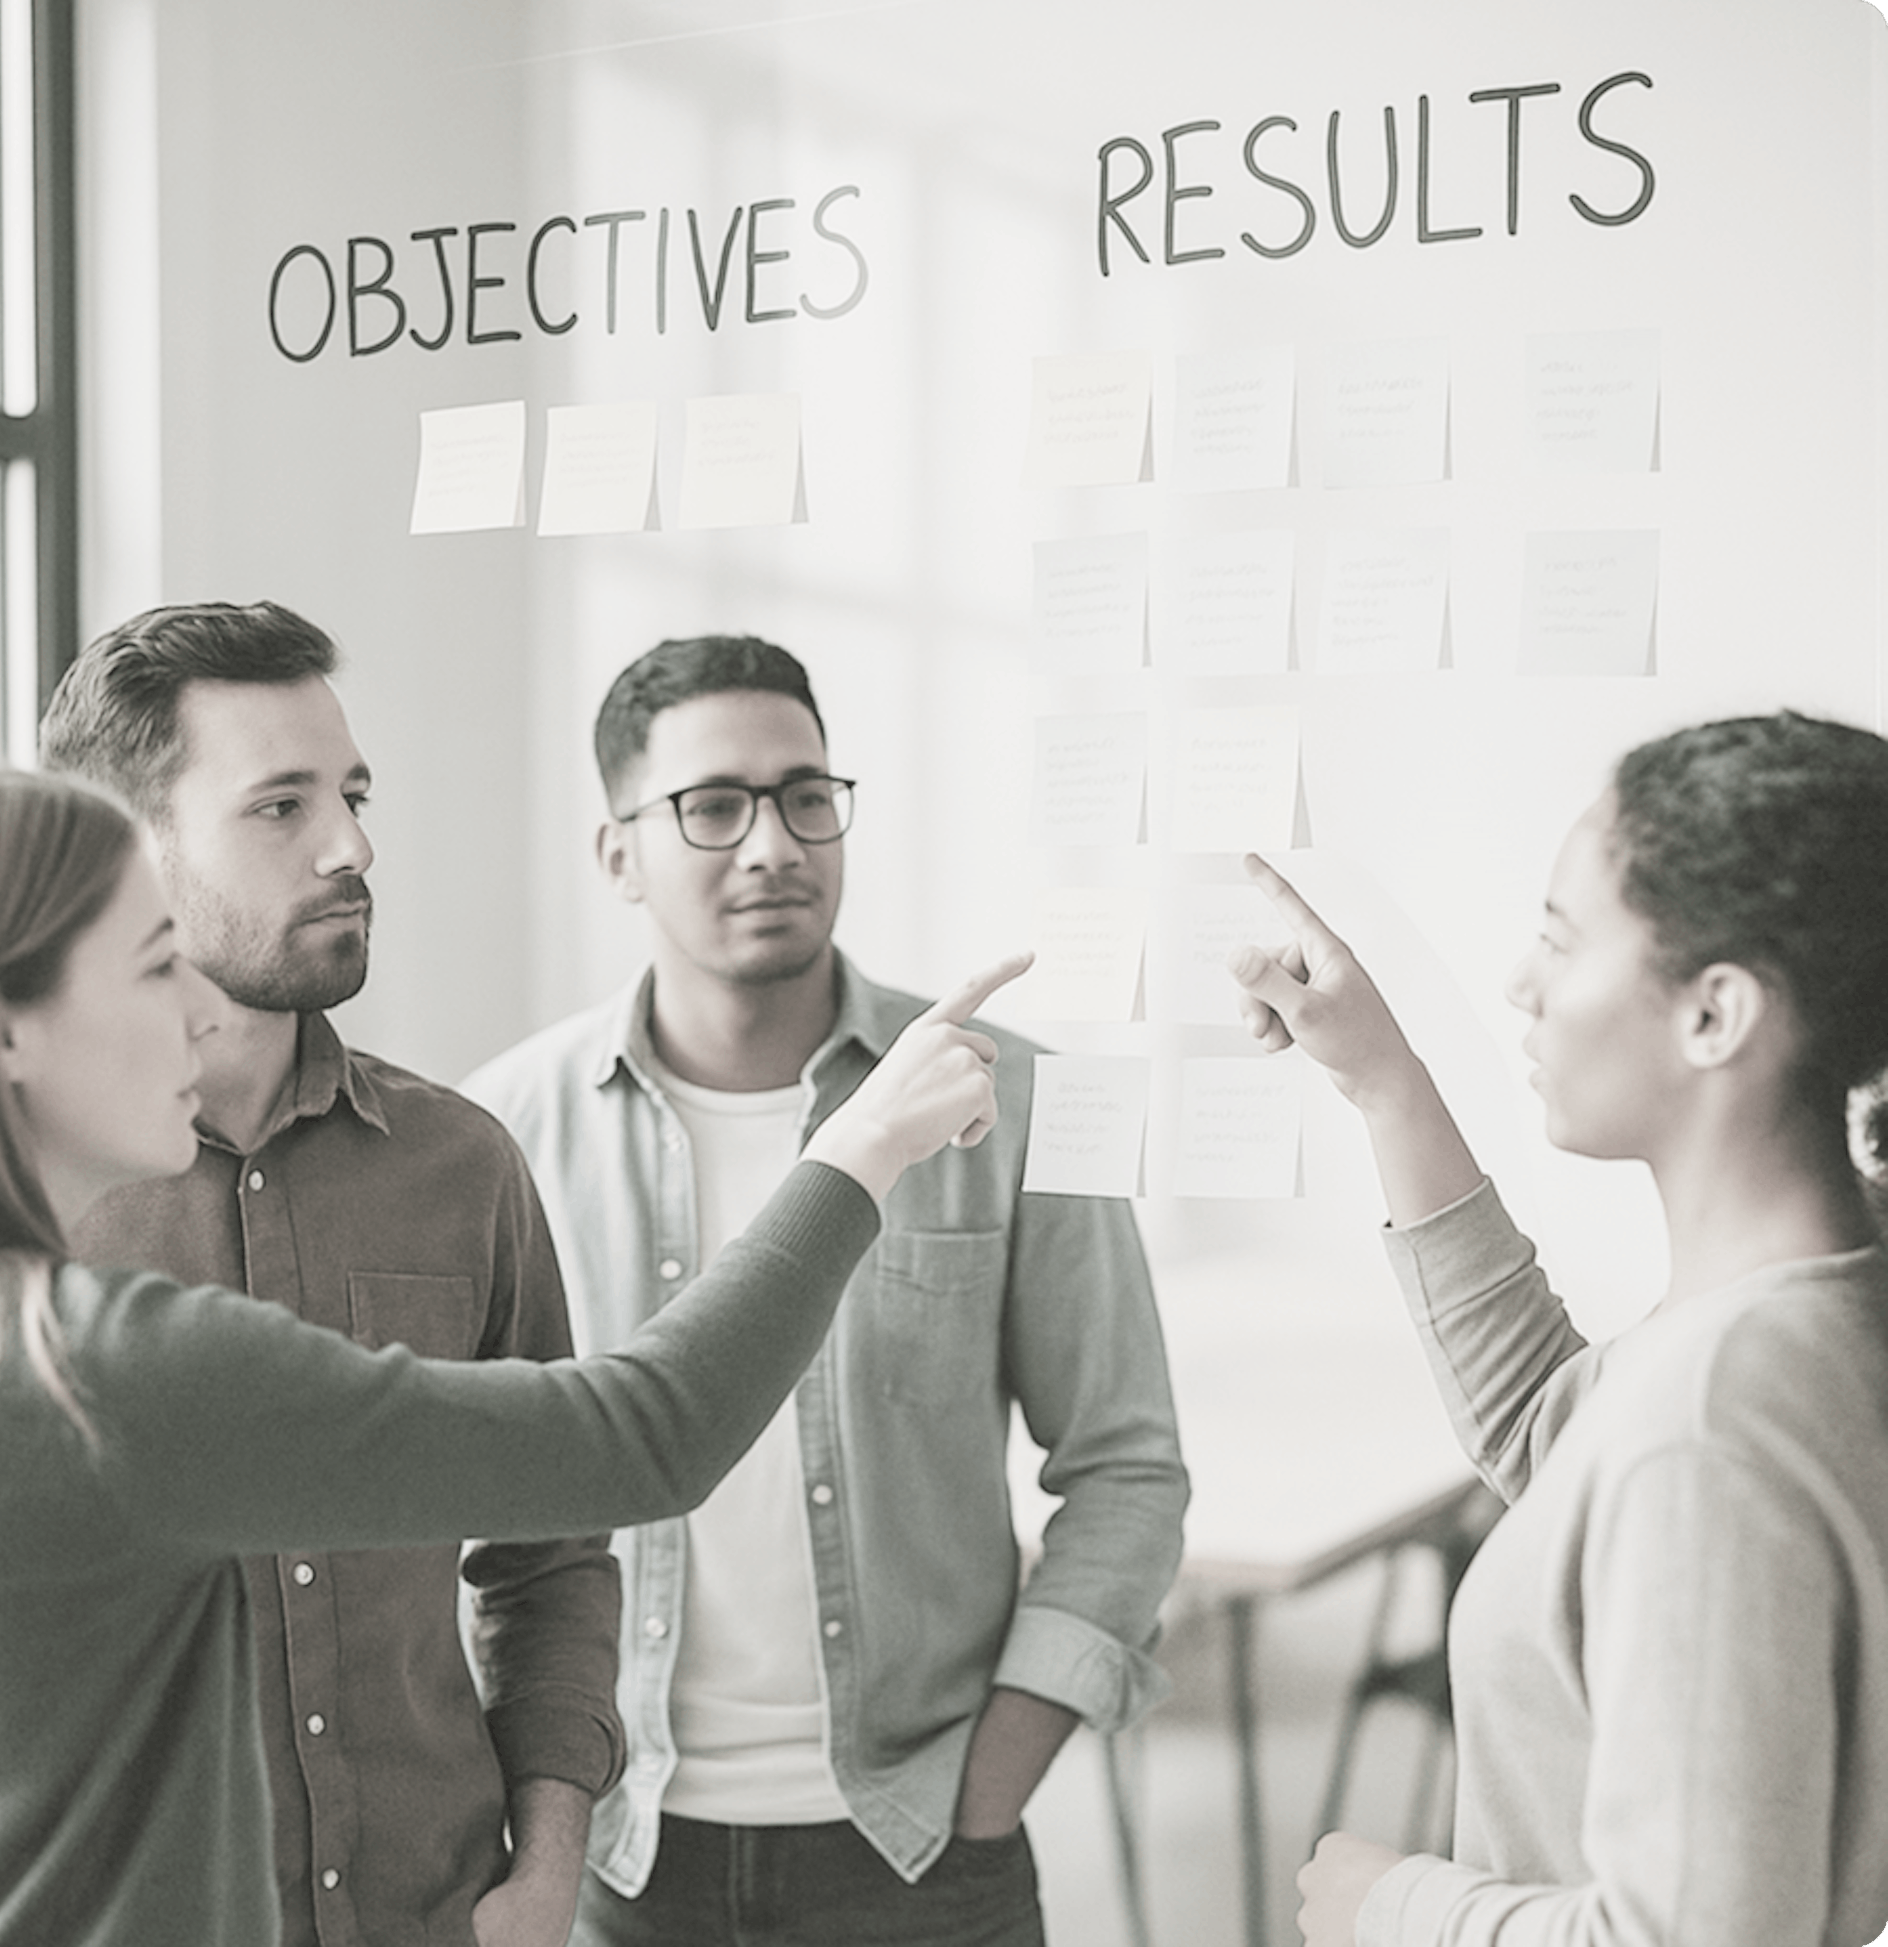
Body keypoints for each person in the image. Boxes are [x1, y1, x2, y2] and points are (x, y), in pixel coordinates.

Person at [0, 766, 1021, 1946]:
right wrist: (861, 1149)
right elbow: (650, 1435)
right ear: (5, 1029)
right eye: (155, 965)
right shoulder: (97, 1370)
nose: (199, 1013)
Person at [463, 634, 1189, 1946]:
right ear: (618, 854)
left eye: (806, 796)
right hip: (620, 1855)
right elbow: (473, 1511)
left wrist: (993, 1778)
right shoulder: (504, 1131)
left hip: (926, 1849)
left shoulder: (1012, 1096)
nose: (773, 845)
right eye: (713, 804)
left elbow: (1126, 1465)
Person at [1226, 711, 1888, 1947]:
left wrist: (1396, 1907)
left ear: (1714, 1015)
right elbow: (1556, 1439)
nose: (1520, 984)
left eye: (1558, 938)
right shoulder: (1811, 1301)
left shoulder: (1719, 1417)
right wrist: (1381, 1080)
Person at [34, 598, 599, 1947]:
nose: (352, 846)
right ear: (124, 846)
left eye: (352, 794)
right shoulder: (11, 1199)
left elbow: (552, 1553)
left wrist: (548, 1867)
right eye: (280, 806)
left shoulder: (463, 1166)